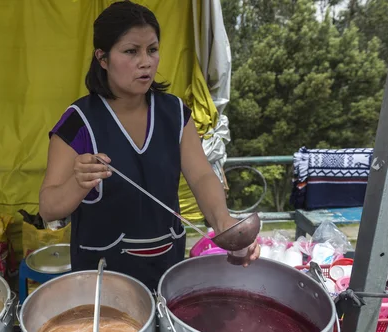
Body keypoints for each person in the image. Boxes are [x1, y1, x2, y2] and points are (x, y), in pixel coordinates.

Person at [39, 0, 259, 290]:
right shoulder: (78, 122)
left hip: (166, 266)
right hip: (101, 278)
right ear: (102, 58)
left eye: (152, 50)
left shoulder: (175, 113)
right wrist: (78, 183)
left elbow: (201, 174)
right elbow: (48, 208)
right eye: (131, 51)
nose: (146, 62)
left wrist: (223, 221)